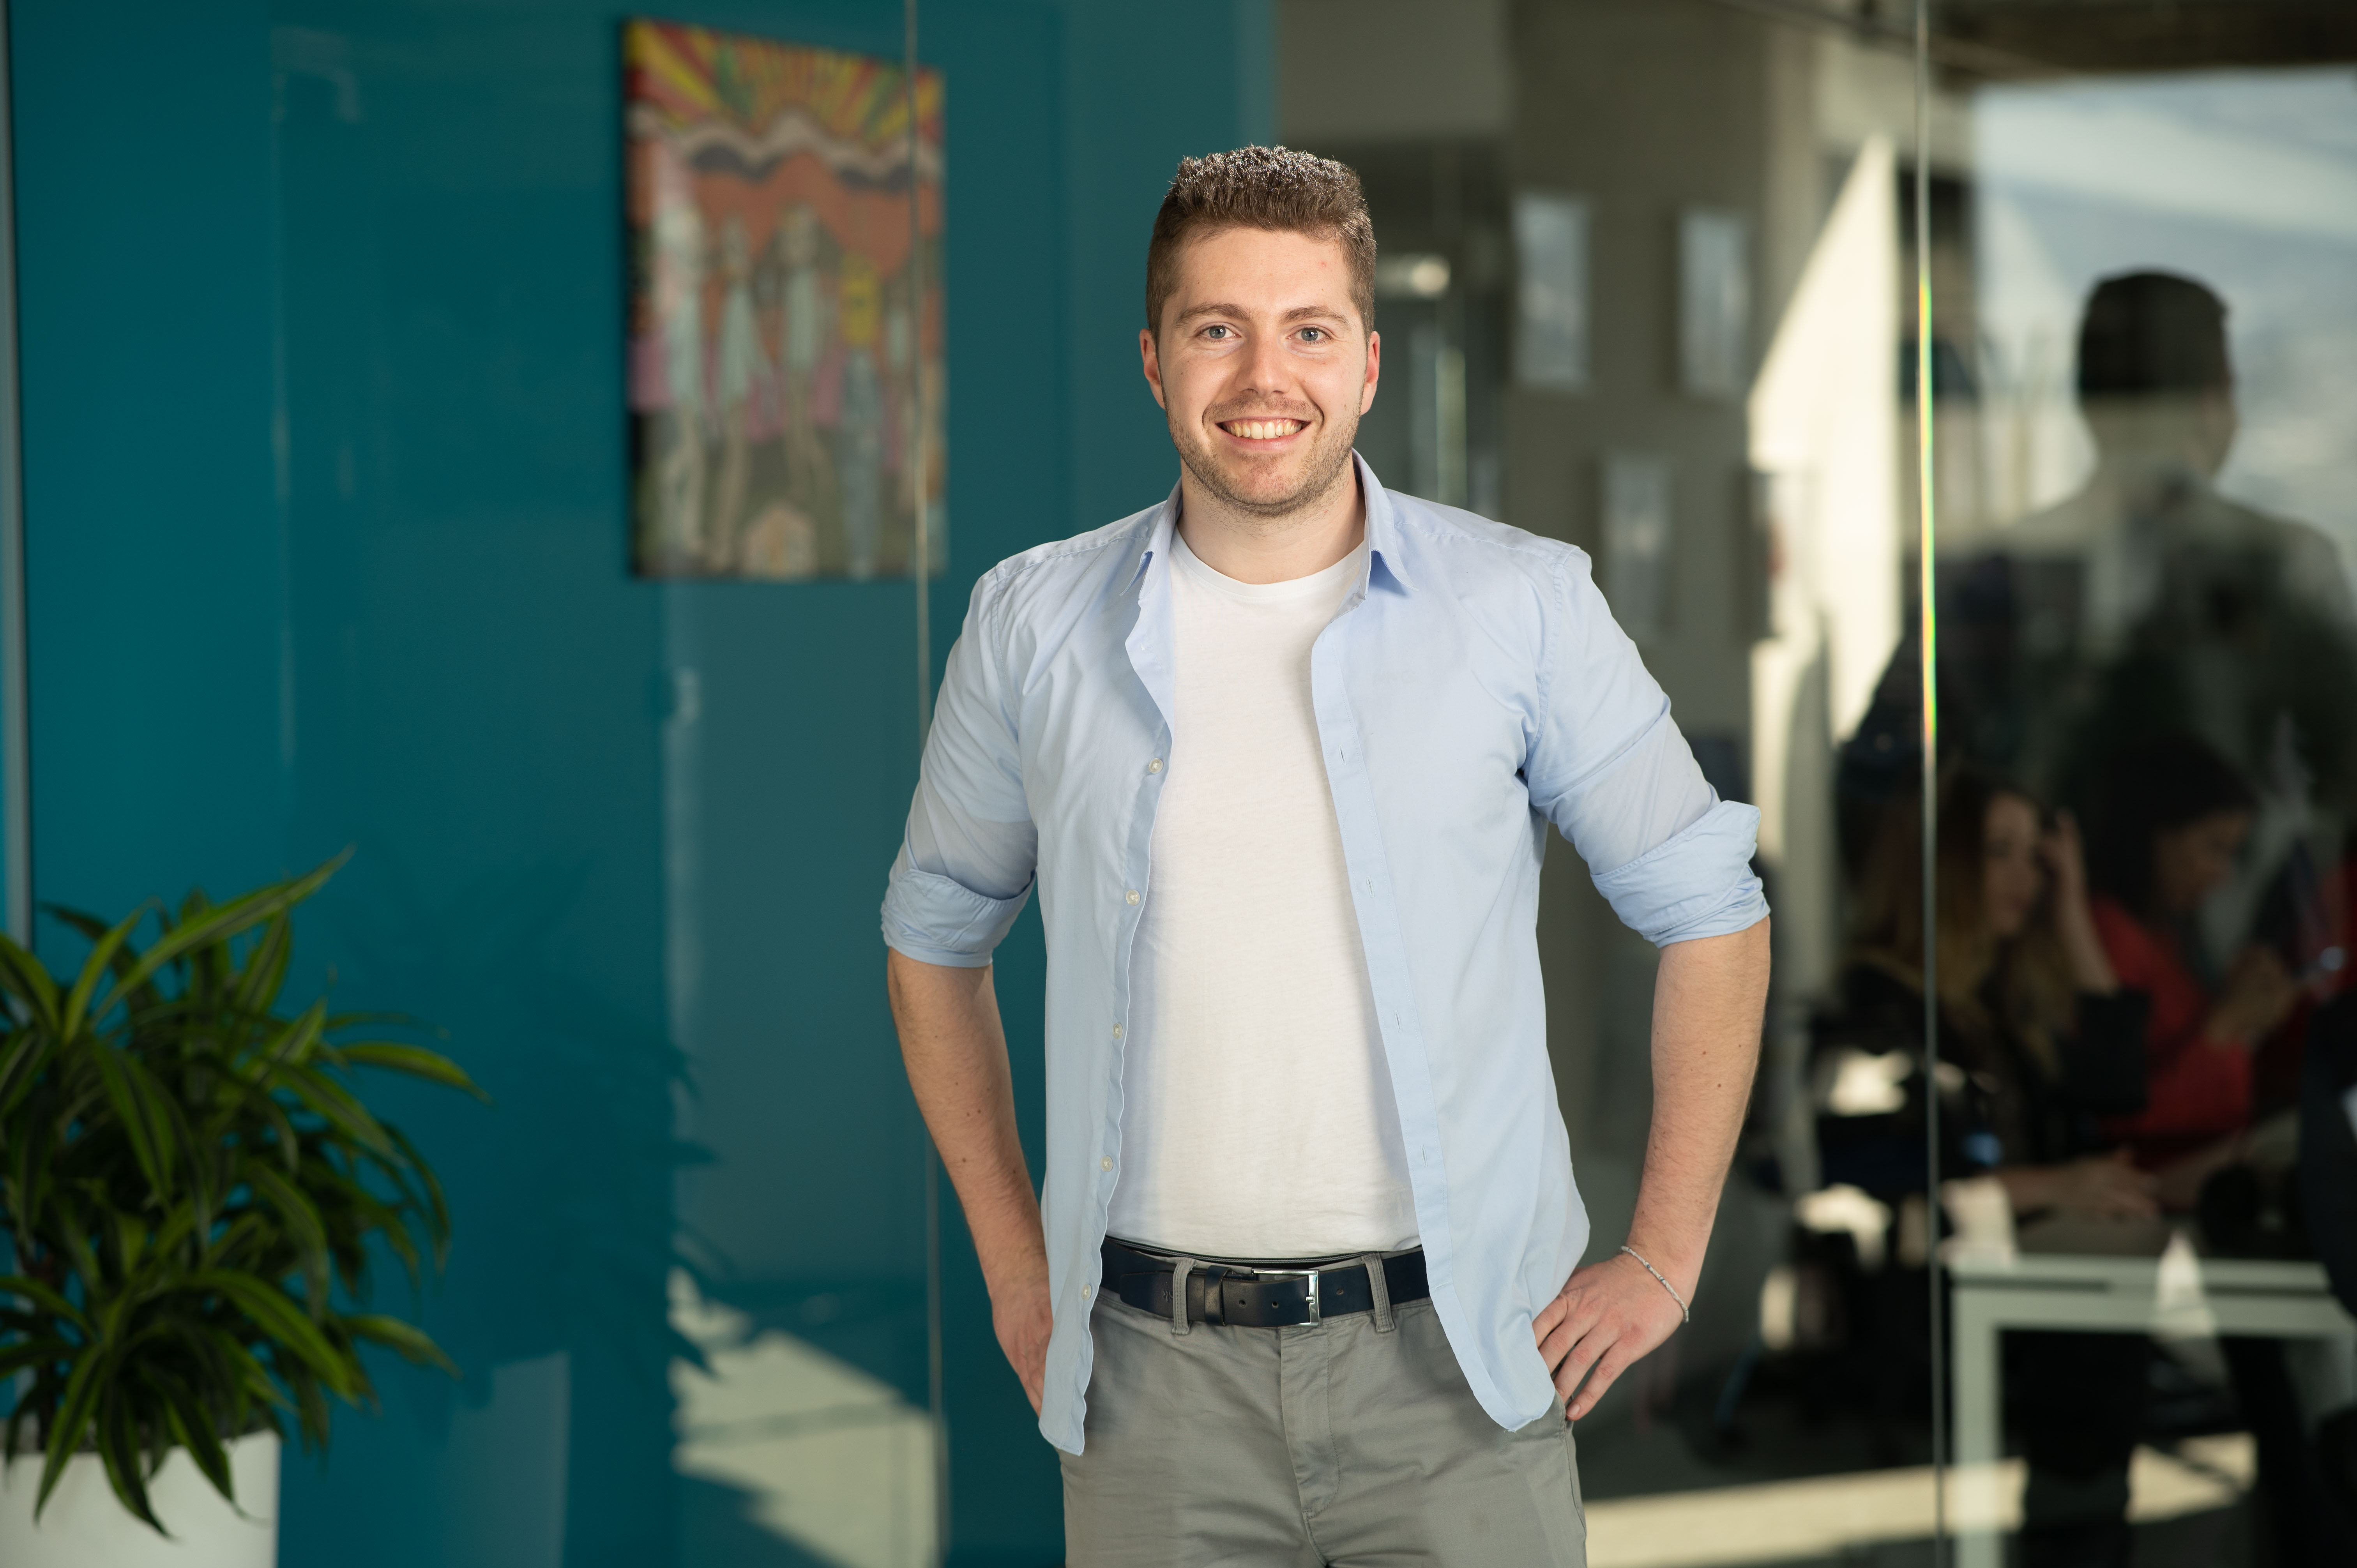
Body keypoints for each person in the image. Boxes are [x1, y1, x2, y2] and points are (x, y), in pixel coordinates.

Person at [880, 146, 1770, 1561]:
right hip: (1148, 1389)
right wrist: (1009, 1260)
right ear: (1152, 361)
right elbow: (933, 939)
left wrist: (1661, 1253)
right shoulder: (1026, 622)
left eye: (1304, 330)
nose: (1259, 377)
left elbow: (1708, 911)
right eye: (1212, 328)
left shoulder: (1520, 605)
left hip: (1459, 1374)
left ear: (1365, 361)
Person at [1816, 767, 2156, 1567]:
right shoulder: (1883, 998)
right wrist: (2057, 1185)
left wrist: (2072, 910)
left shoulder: (1999, 993)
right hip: (1940, 1309)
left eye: (2034, 856)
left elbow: (2118, 1086)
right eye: (1997, 851)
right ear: (1940, 863)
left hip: (2037, 1300)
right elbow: (1872, 1166)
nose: (2023, 876)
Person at [2083, 733, 2298, 1181]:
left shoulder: (2164, 933)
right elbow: (2123, 1114)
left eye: (2233, 853)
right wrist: (2227, 1023)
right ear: (2156, 836)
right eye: (2214, 847)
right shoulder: (2108, 935)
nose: (2222, 873)